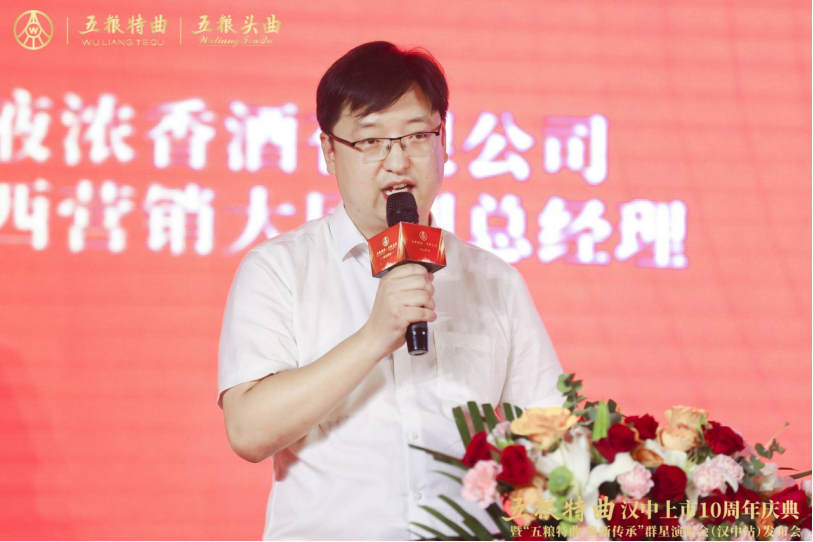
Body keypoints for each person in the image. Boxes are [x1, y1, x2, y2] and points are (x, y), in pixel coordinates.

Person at [217, 41, 566, 541]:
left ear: (444, 141)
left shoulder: (493, 280)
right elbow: (248, 432)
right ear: (329, 151)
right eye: (372, 140)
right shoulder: (280, 269)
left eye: (417, 136)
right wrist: (374, 336)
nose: (397, 161)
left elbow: (551, 435)